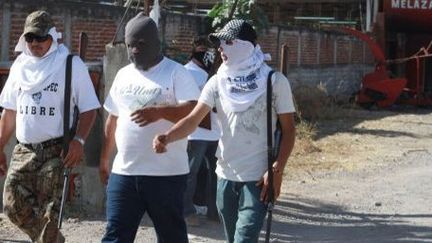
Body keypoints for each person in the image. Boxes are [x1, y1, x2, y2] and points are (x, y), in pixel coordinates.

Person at [153, 19, 296, 243]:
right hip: (225, 177)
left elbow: (288, 131)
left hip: (258, 180)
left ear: (245, 46)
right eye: (219, 43)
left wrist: (277, 169)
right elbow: (193, 120)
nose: (220, 48)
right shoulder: (217, 82)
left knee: (244, 239)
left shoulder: (275, 82)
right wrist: (168, 137)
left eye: (227, 42)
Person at [99, 13, 200, 243]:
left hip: (166, 175)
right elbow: (112, 119)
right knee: (115, 236)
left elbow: (194, 111)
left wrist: (160, 112)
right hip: (124, 173)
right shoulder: (123, 75)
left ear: (156, 42)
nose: (135, 50)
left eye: (141, 44)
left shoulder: (176, 72)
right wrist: (105, 159)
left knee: (171, 237)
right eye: (130, 45)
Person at [0, 10, 100, 243]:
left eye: (40, 37)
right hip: (23, 150)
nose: (34, 43)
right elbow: (9, 111)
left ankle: (49, 237)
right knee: (11, 205)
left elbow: (89, 109)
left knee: (51, 214)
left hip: (57, 151)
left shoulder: (70, 65)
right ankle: (50, 238)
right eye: (29, 38)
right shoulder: (19, 67)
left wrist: (79, 141)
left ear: (52, 38)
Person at [183, 36, 221, 225]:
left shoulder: (215, 72)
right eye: (202, 48)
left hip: (216, 131)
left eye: (208, 49)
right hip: (195, 132)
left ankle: (215, 211)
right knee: (190, 172)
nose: (207, 52)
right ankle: (187, 212)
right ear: (195, 49)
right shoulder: (186, 72)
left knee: (217, 174)